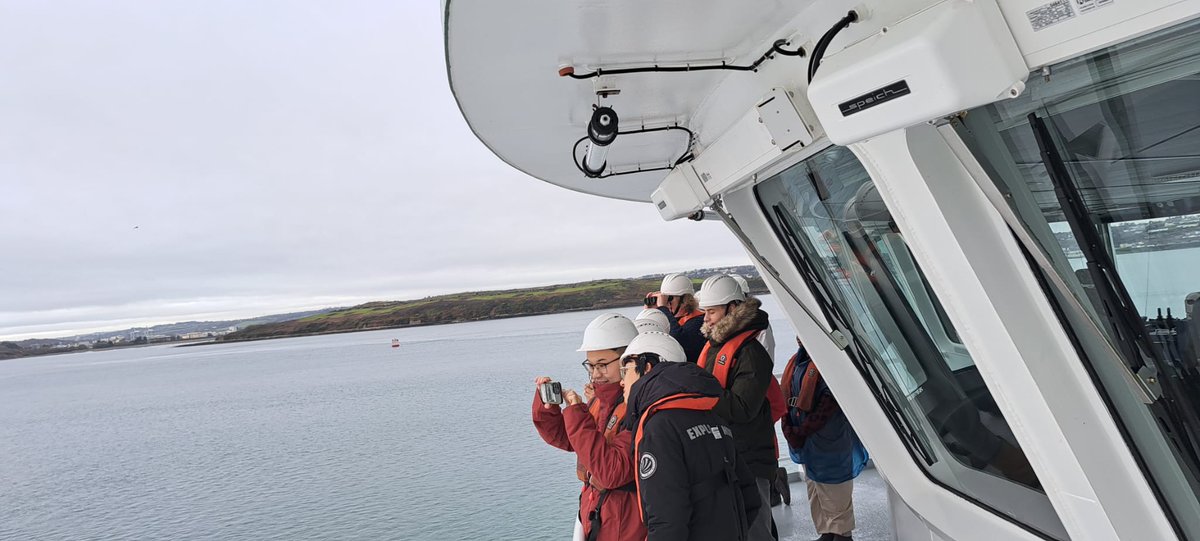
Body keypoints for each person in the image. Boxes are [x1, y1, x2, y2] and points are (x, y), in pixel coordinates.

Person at [619, 331, 762, 541]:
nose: (622, 382)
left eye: (626, 370)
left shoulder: (659, 428)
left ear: (646, 367)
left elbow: (666, 520)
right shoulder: (712, 414)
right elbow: (749, 496)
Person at [532, 313, 646, 541]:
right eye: (591, 366)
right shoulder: (601, 401)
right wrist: (548, 410)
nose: (595, 374)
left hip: (624, 522)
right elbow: (570, 440)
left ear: (629, 361)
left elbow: (611, 471)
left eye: (602, 365)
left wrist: (576, 411)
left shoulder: (639, 407)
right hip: (599, 515)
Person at [693, 274, 778, 541]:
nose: (705, 318)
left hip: (749, 459)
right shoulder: (715, 347)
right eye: (704, 312)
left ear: (732, 309)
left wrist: (697, 393)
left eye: (711, 312)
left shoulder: (751, 353)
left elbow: (743, 407)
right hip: (727, 456)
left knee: (756, 530)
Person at [781, 337, 868, 541]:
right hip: (808, 442)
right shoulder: (797, 362)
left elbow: (829, 404)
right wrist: (790, 428)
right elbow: (787, 395)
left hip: (830, 440)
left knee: (835, 490)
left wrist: (802, 430)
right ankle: (827, 532)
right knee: (815, 489)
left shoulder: (829, 361)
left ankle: (842, 534)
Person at [647, 273, 706, 363]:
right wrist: (649, 312)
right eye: (665, 298)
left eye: (669, 298)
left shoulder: (700, 320)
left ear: (684, 299)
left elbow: (678, 339)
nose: (667, 302)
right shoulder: (674, 319)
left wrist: (663, 308)